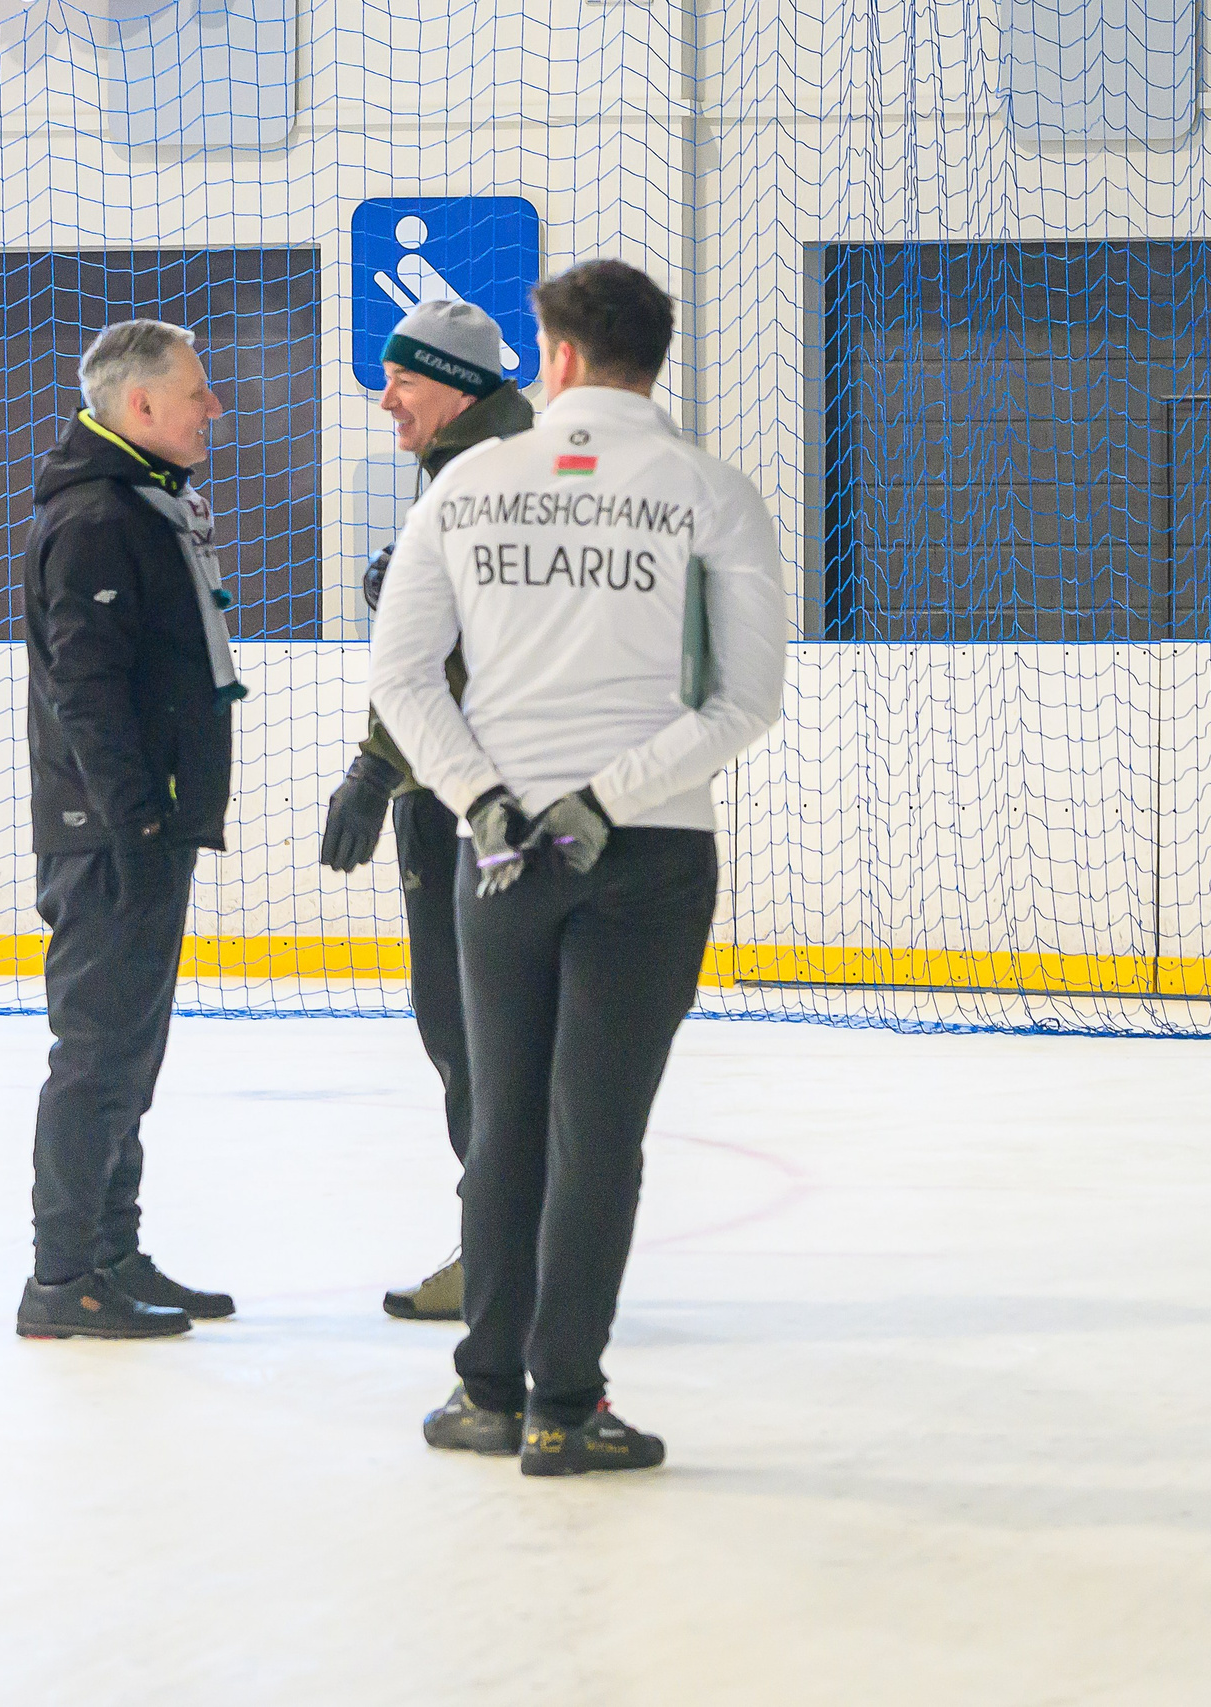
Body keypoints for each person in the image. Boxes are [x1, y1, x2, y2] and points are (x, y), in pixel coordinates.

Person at [370, 260, 786, 1474]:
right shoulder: (711, 492)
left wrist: (489, 803)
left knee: (504, 1119)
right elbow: (745, 702)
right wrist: (598, 801)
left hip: (497, 858)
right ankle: (565, 1405)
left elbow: (400, 679)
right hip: (647, 852)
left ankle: (486, 1393)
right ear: (654, 357)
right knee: (597, 1130)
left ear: (552, 358)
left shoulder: (466, 488)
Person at [15, 320, 242, 1340]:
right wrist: (135, 817)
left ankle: (112, 1252)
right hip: (110, 832)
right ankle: (62, 1281)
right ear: (140, 405)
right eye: (198, 392)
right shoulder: (99, 517)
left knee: (127, 1055)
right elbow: (85, 686)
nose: (214, 408)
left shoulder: (144, 503)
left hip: (137, 825)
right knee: (99, 1054)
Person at [318, 300, 535, 1323]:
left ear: (456, 383)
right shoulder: (471, 463)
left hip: (471, 799)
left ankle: (506, 1263)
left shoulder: (483, 474)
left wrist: (373, 771)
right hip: (474, 795)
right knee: (478, 1034)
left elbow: (438, 666)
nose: (386, 397)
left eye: (403, 378)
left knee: (474, 1033)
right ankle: (514, 1251)